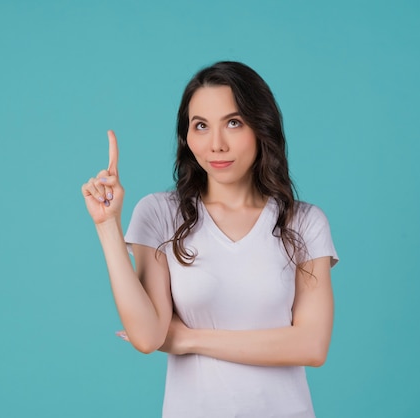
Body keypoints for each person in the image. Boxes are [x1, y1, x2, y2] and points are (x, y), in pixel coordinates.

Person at [81, 61, 338, 418]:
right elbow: (148, 337)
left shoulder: (305, 222)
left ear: (261, 127)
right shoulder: (160, 213)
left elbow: (312, 345)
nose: (216, 145)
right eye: (201, 126)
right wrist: (107, 226)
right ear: (186, 136)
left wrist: (189, 338)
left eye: (234, 123)